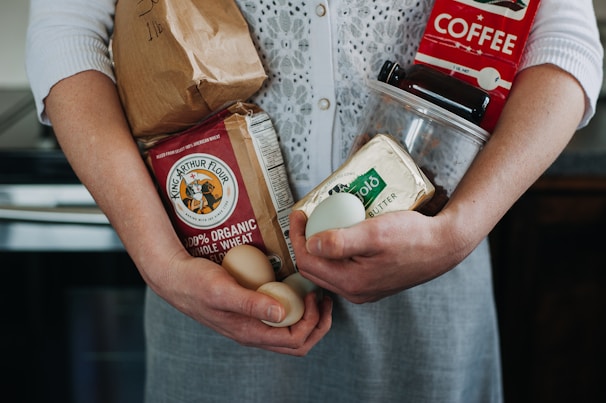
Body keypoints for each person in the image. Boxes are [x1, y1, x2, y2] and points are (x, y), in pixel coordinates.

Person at [26, 0, 603, 402]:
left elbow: (565, 42)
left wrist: (459, 231)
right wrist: (161, 261)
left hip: (429, 272)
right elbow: (66, 29)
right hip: (214, 273)